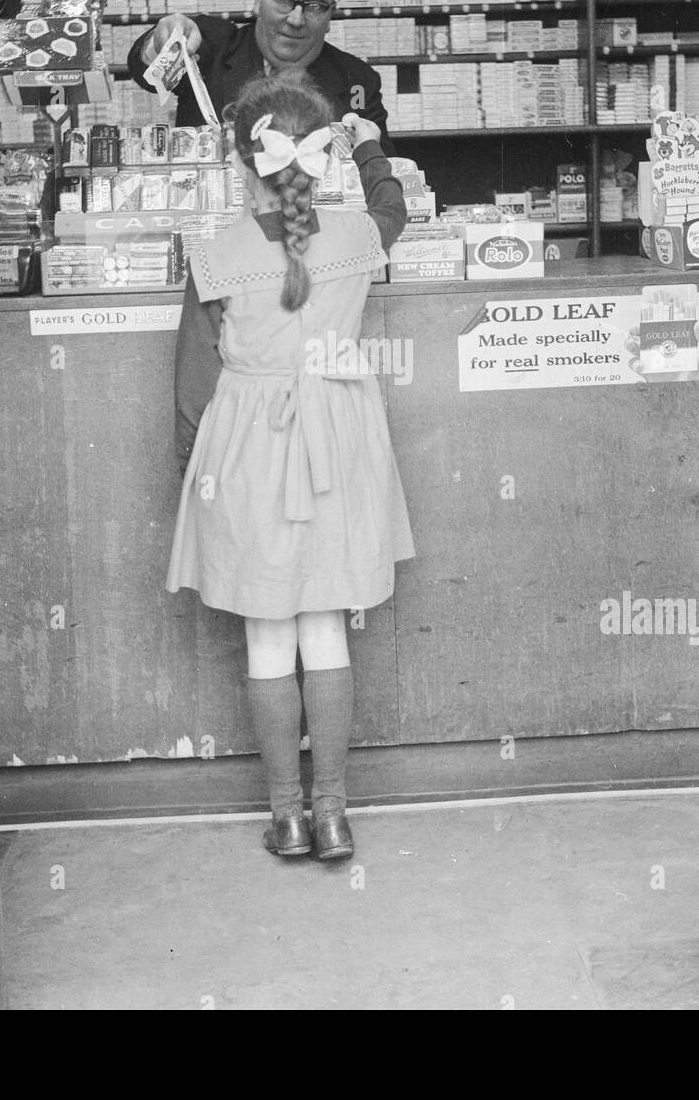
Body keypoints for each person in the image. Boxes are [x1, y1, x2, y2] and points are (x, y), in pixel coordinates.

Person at [166, 71, 414, 862]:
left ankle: (288, 817)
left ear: (243, 165)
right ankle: (335, 812)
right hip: (339, 442)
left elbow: (191, 389)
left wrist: (195, 480)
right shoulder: (356, 237)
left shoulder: (214, 255)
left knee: (268, 639)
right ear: (324, 161)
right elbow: (394, 205)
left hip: (247, 452)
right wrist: (368, 143)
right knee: (328, 630)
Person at [127, 0, 395, 154]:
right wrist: (163, 43)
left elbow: (380, 172)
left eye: (314, 5)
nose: (295, 19)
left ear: (330, 15)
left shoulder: (358, 81)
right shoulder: (214, 47)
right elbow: (146, 75)